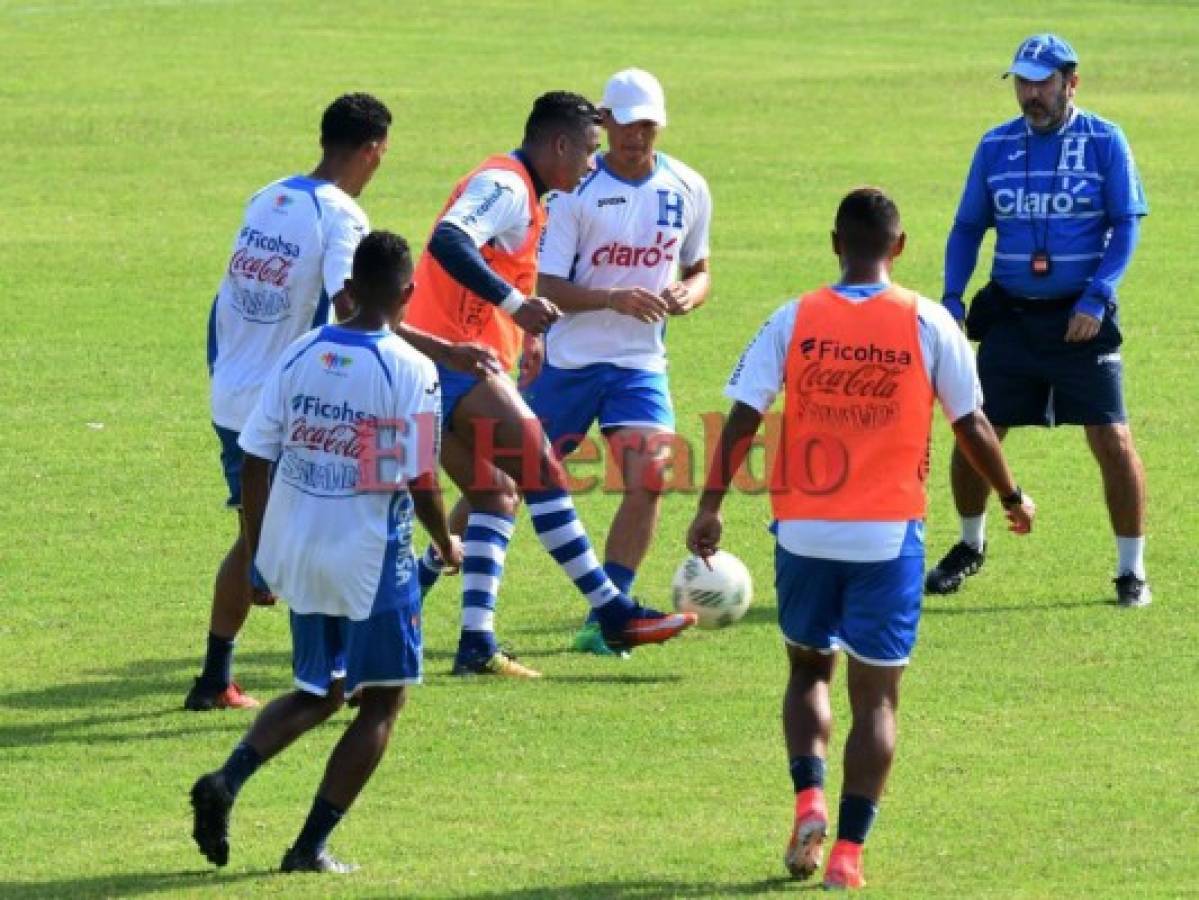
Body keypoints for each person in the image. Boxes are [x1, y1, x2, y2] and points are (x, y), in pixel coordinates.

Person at [686, 188, 1036, 889]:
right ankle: (846, 855)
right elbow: (970, 425)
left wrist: (710, 506)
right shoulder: (928, 322)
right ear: (898, 247)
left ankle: (808, 798)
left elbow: (742, 417)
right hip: (885, 537)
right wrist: (1009, 496)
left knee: (808, 671)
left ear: (833, 243)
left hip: (803, 531)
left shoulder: (794, 317)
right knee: (875, 700)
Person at [190, 231, 463, 874]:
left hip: (300, 549)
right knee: (384, 701)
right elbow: (413, 478)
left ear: (348, 289)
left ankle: (226, 781)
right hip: (369, 557)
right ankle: (308, 847)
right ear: (408, 293)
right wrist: (445, 540)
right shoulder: (408, 368)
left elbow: (257, 457)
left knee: (321, 690)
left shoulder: (301, 352)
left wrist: (261, 554)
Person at [404, 91, 695, 678]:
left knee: (494, 495)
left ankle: (474, 644)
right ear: (558, 144)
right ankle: (611, 611)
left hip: (436, 364)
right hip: (450, 363)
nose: (592, 164)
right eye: (588, 150)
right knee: (541, 468)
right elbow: (448, 240)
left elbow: (493, 262)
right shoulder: (507, 184)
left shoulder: (531, 194)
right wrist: (514, 302)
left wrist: (523, 328)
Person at [925, 33, 1150, 606]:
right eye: (1022, 82)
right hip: (1012, 319)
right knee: (975, 429)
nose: (1031, 93)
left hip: (1082, 320)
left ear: (1070, 82)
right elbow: (968, 227)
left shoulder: (1105, 141)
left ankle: (1132, 571)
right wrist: (952, 298)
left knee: (1112, 436)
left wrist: (1097, 296)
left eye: (1042, 82)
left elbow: (1126, 224)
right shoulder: (995, 146)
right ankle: (970, 545)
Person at [186, 93, 393, 711]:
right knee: (329, 530)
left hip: (232, 395)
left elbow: (226, 297)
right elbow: (352, 305)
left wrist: (224, 369)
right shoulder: (341, 217)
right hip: (287, 408)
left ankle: (214, 678)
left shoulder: (267, 197)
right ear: (372, 149)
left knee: (260, 538)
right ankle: (335, 675)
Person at [526, 68, 712, 656]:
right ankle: (433, 569)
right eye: (627, 125)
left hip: (639, 363)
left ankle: (607, 616)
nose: (637, 137)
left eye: (648, 126)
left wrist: (690, 293)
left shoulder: (687, 186)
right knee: (500, 483)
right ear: (605, 123)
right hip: (568, 363)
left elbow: (699, 268)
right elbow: (547, 283)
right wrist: (611, 298)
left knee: (652, 475)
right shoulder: (572, 193)